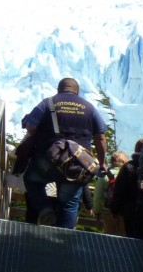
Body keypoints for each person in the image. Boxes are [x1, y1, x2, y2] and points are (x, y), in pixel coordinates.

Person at [20, 78, 108, 229]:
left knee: (32, 181)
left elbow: (31, 128)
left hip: (48, 159)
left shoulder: (48, 103)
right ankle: (64, 241)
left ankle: (45, 208)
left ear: (58, 90)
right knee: (69, 203)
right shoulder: (89, 108)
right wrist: (102, 163)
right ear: (77, 91)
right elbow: (100, 137)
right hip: (77, 165)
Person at [110, 139, 143, 237]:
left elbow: (119, 191)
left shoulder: (129, 167)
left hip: (131, 213)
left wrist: (114, 210)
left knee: (132, 242)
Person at [94, 151, 128, 235]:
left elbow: (98, 196)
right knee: (123, 238)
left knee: (109, 237)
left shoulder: (104, 175)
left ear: (111, 161)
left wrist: (97, 212)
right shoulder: (128, 174)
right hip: (124, 212)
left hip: (107, 211)